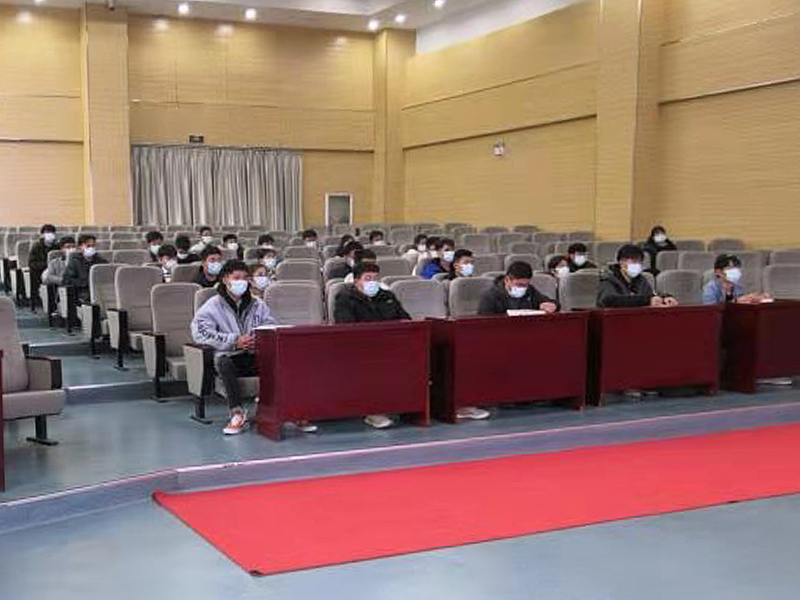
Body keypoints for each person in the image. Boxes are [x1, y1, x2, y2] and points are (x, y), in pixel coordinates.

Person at [191, 260, 296, 435]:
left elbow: (269, 326)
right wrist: (234, 341)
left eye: (245, 278)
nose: (242, 282)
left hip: (254, 354)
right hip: (230, 356)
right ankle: (237, 413)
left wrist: (258, 340)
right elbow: (200, 333)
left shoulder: (257, 304)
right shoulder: (212, 305)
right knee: (224, 362)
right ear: (225, 280)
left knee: (281, 360)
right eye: (237, 278)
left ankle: (289, 410)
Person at [333, 262, 411, 429]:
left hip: (391, 343)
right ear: (356, 281)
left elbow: (405, 319)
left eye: (375, 278)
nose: (372, 282)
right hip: (361, 347)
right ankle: (374, 411)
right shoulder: (345, 298)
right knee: (374, 364)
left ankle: (411, 407)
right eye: (368, 278)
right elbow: (345, 327)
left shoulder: (387, 296)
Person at [597, 244, 678, 308]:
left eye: (639, 261)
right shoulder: (608, 279)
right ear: (622, 262)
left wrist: (665, 298)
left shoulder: (641, 280)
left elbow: (652, 295)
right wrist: (647, 301)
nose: (637, 265)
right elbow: (609, 300)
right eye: (634, 261)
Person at [478, 261, 558, 316]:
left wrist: (553, 305)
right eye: (519, 285)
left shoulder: (530, 291)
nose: (523, 288)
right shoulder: (490, 296)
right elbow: (485, 320)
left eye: (526, 285)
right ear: (507, 280)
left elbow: (551, 302)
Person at [703, 254, 768, 305]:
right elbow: (711, 310)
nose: (735, 271)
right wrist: (737, 301)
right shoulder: (710, 288)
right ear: (718, 272)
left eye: (736, 267)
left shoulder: (738, 287)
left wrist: (752, 299)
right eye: (730, 268)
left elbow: (742, 304)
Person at [62, 234, 108, 303]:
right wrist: (86, 283)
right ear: (80, 247)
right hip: (82, 293)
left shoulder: (101, 261)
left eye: (93, 246)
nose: (91, 248)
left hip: (99, 291)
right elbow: (68, 280)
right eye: (88, 246)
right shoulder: (74, 260)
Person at [28, 224, 60, 307]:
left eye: (52, 232)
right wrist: (46, 265)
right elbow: (32, 263)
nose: (50, 234)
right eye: (47, 232)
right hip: (40, 271)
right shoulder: (36, 246)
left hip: (54, 270)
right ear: (42, 235)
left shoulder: (57, 246)